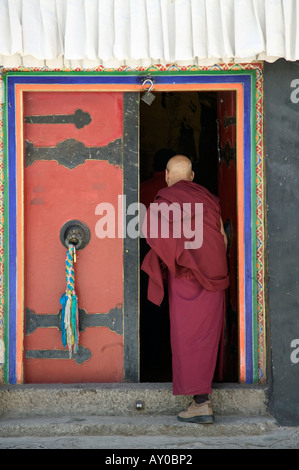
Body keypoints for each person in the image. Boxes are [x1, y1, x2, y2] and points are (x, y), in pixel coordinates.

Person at [141, 155, 229, 424]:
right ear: (191, 177)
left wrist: (174, 259)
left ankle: (201, 404)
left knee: (187, 337)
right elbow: (222, 240)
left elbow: (152, 236)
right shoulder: (209, 200)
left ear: (167, 175)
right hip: (213, 276)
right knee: (205, 335)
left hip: (184, 278)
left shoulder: (164, 200)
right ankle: (200, 399)